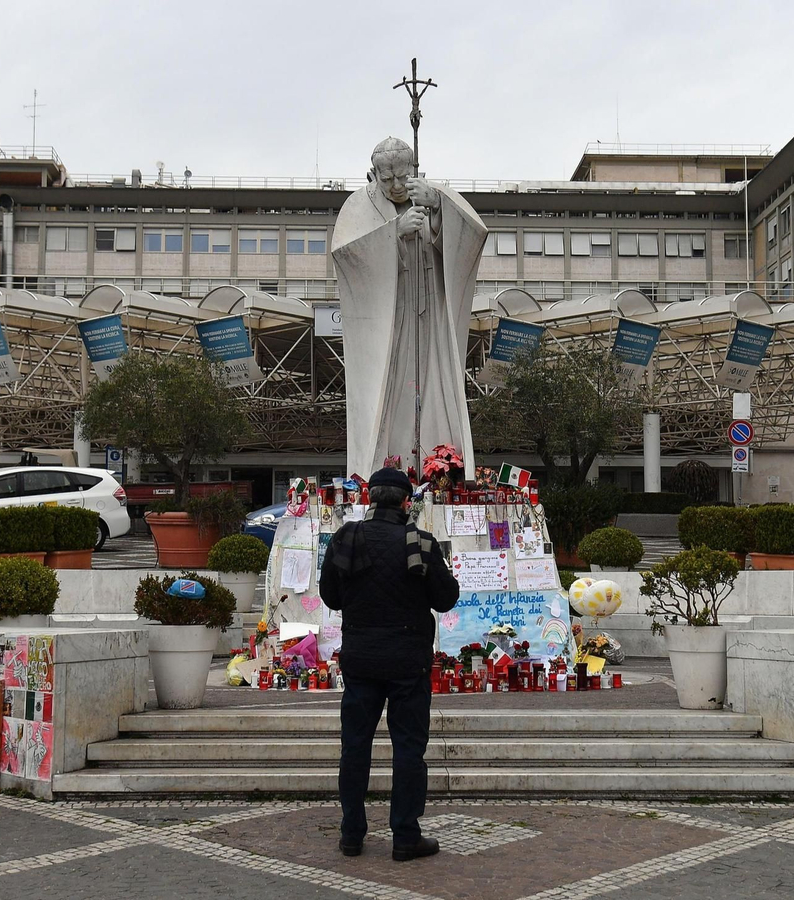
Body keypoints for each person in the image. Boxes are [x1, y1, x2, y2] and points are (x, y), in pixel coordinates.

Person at [319, 466, 458, 862]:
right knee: (409, 749)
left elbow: (330, 596)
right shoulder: (421, 543)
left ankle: (351, 834)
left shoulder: (346, 538)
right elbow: (446, 598)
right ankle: (405, 836)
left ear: (370, 498)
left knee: (355, 747)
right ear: (405, 502)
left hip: (361, 657)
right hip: (408, 661)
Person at [330, 137, 487, 478]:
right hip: (389, 319)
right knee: (392, 390)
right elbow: (346, 256)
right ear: (373, 175)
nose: (397, 186)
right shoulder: (358, 207)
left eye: (403, 177)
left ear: (414, 170)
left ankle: (438, 465)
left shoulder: (432, 195)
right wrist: (394, 233)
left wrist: (439, 208)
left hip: (430, 316)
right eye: (388, 180)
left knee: (435, 382)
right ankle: (388, 468)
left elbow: (474, 234)